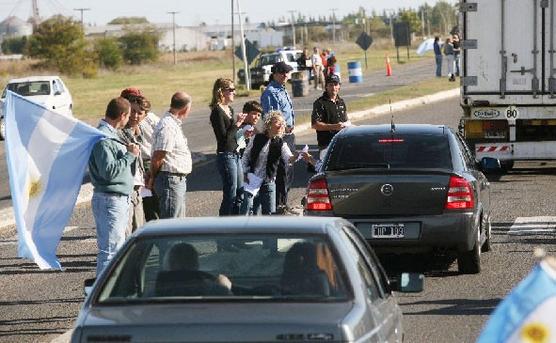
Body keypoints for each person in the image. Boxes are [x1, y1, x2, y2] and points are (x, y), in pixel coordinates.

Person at [88, 97, 140, 276]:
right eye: (128, 116)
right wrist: (130, 156)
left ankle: (112, 291)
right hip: (110, 200)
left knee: (117, 250)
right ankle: (101, 297)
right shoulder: (103, 139)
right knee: (109, 252)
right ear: (122, 115)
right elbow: (108, 172)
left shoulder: (112, 136)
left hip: (117, 198)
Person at [239, 111, 308, 215]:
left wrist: (297, 155)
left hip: (268, 180)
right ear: (269, 124)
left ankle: (266, 230)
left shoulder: (281, 143)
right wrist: (244, 173)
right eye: (277, 122)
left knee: (270, 213)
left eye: (282, 123)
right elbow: (246, 156)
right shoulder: (257, 138)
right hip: (252, 178)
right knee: (247, 206)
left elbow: (289, 159)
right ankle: (243, 228)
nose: (281, 125)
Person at [260, 61, 297, 214]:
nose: (285, 75)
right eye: (282, 73)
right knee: (281, 171)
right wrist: (281, 129)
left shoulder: (282, 90)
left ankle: (284, 202)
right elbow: (269, 117)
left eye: (287, 73)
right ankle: (278, 206)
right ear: (275, 74)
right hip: (279, 136)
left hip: (288, 134)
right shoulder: (270, 92)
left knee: (289, 170)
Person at [149, 92, 193, 218]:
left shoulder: (173, 124)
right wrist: (152, 177)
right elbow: (158, 156)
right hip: (169, 180)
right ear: (185, 108)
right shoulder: (168, 126)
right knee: (171, 223)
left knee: (178, 225)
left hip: (175, 180)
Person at [209, 78, 247, 216]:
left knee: (240, 192)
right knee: (231, 192)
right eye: (231, 90)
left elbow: (233, 134)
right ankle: (223, 224)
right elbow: (223, 138)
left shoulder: (229, 109)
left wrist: (242, 130)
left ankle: (236, 224)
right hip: (226, 155)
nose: (234, 92)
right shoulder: (217, 111)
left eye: (234, 89)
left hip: (236, 153)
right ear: (221, 92)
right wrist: (237, 124)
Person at [118, 92, 148, 235]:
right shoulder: (121, 132)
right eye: (133, 111)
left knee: (139, 231)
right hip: (126, 186)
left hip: (137, 187)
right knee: (127, 232)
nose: (135, 116)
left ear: (145, 115)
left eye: (139, 113)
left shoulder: (139, 132)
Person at [158, 242, 232, 295]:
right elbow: (232, 311)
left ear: (167, 266)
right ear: (196, 264)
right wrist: (225, 288)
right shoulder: (215, 291)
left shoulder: (155, 295)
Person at [311, 74, 351, 159]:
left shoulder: (341, 102)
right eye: (330, 85)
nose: (333, 88)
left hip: (342, 143)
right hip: (327, 145)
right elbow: (315, 125)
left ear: (339, 86)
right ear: (326, 87)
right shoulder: (320, 103)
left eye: (336, 84)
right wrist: (334, 127)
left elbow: (346, 119)